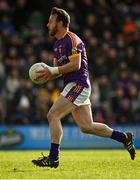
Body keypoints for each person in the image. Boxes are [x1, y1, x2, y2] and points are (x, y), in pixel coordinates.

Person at [32, 7, 135, 168]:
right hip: (73, 85)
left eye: (50, 21)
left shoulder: (72, 39)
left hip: (79, 84)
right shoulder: (57, 44)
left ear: (60, 23)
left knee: (53, 115)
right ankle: (124, 138)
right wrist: (46, 74)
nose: (47, 24)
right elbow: (57, 71)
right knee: (86, 127)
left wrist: (52, 70)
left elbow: (75, 64)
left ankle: (53, 158)